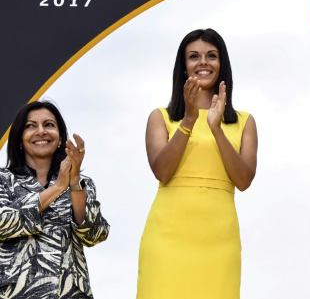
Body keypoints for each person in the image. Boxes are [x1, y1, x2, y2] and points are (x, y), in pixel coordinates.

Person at [136, 29, 258, 299]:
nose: (203, 62)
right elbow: (162, 171)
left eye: (211, 56)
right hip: (167, 240)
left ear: (222, 64)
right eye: (194, 56)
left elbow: (244, 180)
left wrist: (216, 129)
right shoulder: (160, 117)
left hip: (220, 242)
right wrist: (190, 119)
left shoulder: (245, 121)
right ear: (184, 66)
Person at [0, 101, 109, 298]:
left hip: (70, 292)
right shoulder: (4, 180)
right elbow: (3, 223)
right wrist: (58, 187)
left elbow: (94, 235)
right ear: (19, 139)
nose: (41, 131)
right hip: (18, 292)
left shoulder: (83, 183)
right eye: (30, 126)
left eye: (49, 125)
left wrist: (73, 182)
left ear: (60, 138)